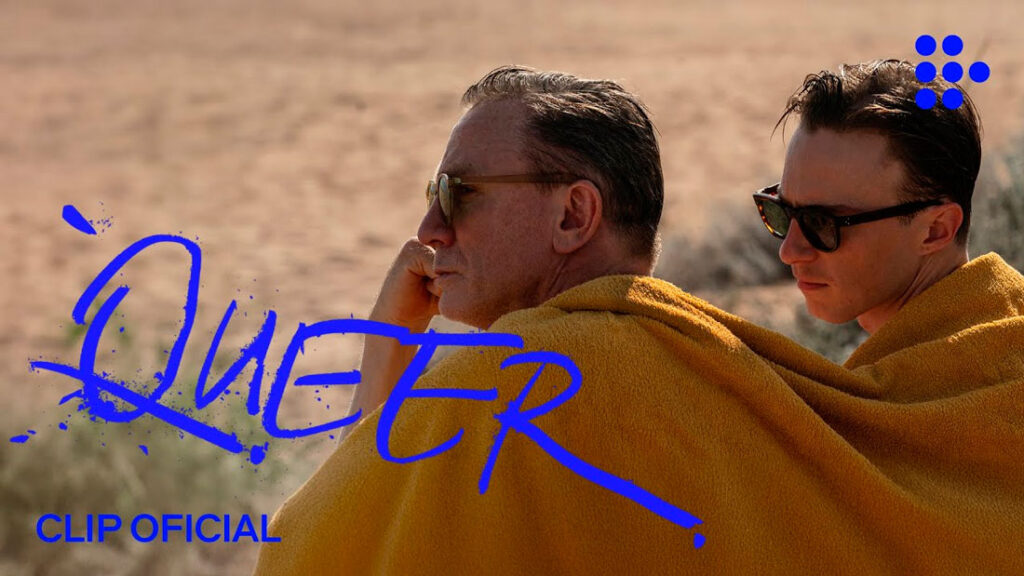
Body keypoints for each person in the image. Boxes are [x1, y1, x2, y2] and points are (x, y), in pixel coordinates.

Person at [254, 64, 1024, 575]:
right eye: (779, 212)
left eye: (461, 194)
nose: (789, 249)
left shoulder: (526, 387)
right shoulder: (744, 379)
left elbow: (326, 546)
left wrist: (386, 357)